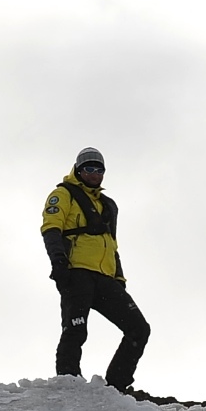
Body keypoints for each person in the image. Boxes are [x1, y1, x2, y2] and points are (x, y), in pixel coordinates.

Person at [41, 147, 152, 392]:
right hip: (76, 273)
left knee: (139, 329)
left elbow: (112, 244)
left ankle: (118, 385)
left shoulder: (107, 205)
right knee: (75, 329)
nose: (94, 173)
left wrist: (118, 277)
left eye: (99, 169)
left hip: (106, 279)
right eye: (89, 168)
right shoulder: (63, 194)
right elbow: (51, 227)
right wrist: (58, 263)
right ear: (78, 170)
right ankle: (69, 383)